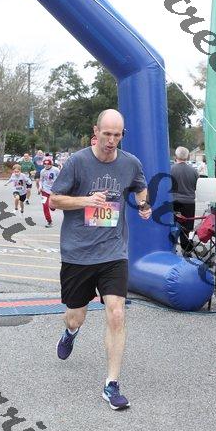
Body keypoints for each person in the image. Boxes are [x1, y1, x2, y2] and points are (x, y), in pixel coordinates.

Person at [50, 109, 152, 410]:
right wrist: (86, 200)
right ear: (95, 131)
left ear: (122, 135)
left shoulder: (130, 163)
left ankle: (111, 384)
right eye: (106, 134)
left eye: (117, 135)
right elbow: (54, 200)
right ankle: (70, 332)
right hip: (78, 253)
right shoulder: (77, 162)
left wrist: (143, 204)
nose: (111, 140)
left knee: (117, 313)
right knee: (75, 315)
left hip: (113, 252)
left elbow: (140, 186)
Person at [171, 146, 198, 256]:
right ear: (188, 157)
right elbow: (196, 187)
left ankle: (171, 249)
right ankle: (186, 250)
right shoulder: (194, 171)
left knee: (172, 226)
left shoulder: (170, 169)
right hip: (189, 203)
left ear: (176, 156)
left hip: (174, 202)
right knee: (187, 228)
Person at [38, 158, 60, 227]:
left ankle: (53, 205)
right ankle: (49, 221)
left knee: (52, 207)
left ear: (51, 164)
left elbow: (61, 178)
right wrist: (40, 187)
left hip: (54, 190)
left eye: (48, 164)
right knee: (45, 205)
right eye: (45, 164)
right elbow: (41, 180)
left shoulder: (56, 170)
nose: (46, 165)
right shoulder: (42, 171)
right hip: (45, 190)